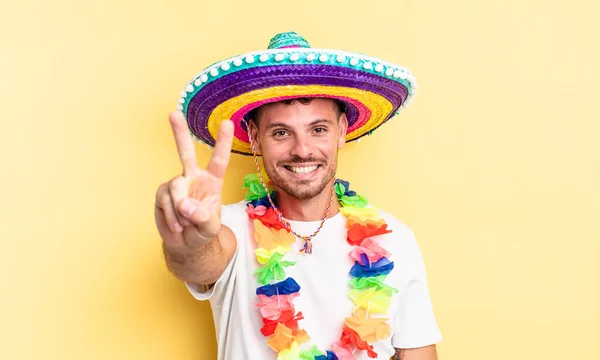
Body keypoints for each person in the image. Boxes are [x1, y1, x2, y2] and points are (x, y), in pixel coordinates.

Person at [155, 32, 442, 360]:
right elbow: (200, 261)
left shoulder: (396, 242)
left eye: (318, 129)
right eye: (281, 133)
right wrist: (186, 242)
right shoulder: (229, 226)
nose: (302, 150)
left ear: (343, 130)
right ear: (255, 138)